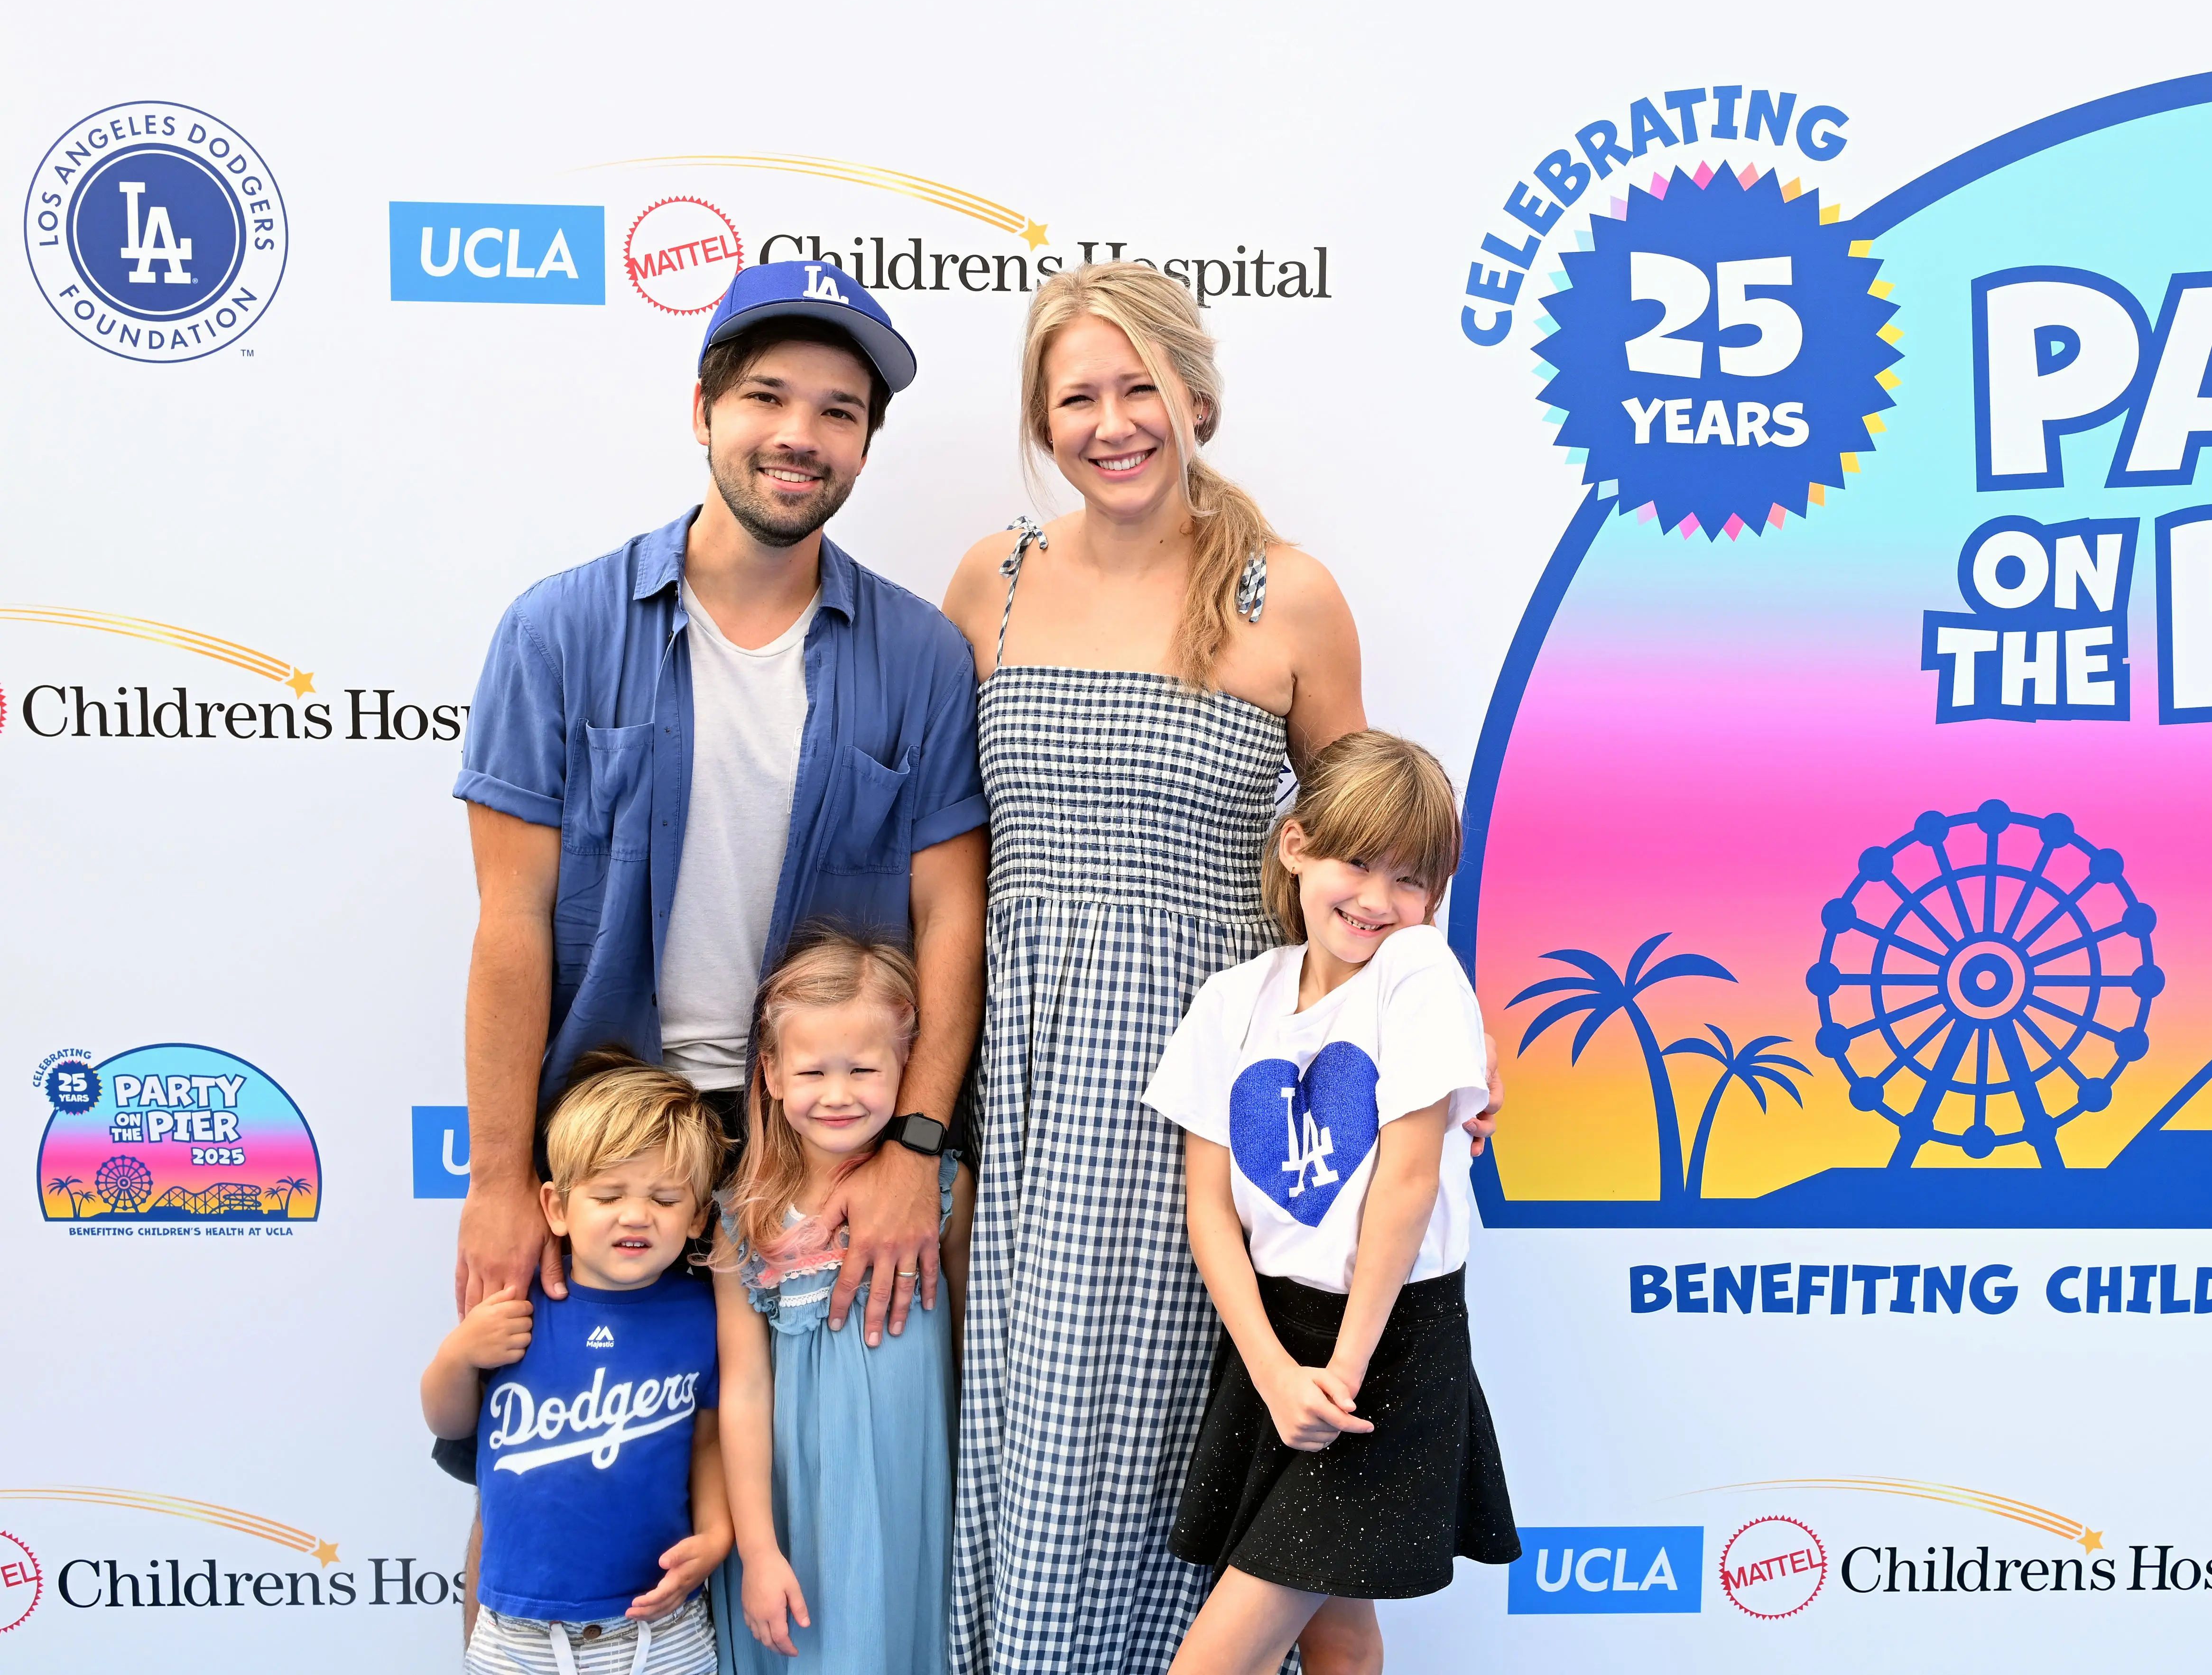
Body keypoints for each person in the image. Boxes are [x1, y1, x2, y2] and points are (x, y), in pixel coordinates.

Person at [939, 262, 1496, 1675]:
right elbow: (946, 866)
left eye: (1141, 389)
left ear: (1195, 398)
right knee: (1047, 1425)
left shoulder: (1287, 596)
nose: (1111, 422)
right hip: (1035, 1090)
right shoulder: (988, 582)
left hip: (1246, 1110)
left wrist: (1442, 1068)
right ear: (1038, 417)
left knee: (1234, 1447)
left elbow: (1369, 860)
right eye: (1076, 396)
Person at [447, 258, 986, 1623]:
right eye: (765, 396)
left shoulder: (918, 654)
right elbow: (510, 925)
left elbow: (949, 916)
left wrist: (917, 1141)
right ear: (703, 410)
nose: (799, 433)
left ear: (866, 441)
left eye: (839, 409)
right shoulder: (561, 630)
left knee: (786, 1521)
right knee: (553, 1475)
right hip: (609, 1140)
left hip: (817, 1151)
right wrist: (504, 1177)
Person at [1147, 732, 1518, 1675]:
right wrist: (1273, 1370)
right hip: (1279, 1345)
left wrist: (1340, 1372)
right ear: (1297, 847)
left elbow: (1408, 1176)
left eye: (1411, 879)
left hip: (1386, 1350)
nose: (1379, 901)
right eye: (1356, 862)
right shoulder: (1234, 1001)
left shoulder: (1419, 971)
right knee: (1337, 1636)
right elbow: (1208, 1208)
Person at [421, 1053, 735, 1674]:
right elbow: (450, 1422)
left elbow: (707, 1445)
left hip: (658, 1629)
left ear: (698, 1214)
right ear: (557, 1206)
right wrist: (458, 1356)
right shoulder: (515, 1302)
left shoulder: (703, 1315)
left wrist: (716, 1532)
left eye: (665, 1197)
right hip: (518, 1636)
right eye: (609, 1193)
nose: (636, 1213)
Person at [708, 930, 966, 1674]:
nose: (838, 1092)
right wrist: (758, 1549)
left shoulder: (944, 1193)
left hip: (910, 1492)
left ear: (906, 1063)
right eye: (813, 1069)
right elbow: (746, 1389)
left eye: (863, 1067)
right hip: (793, 1510)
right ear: (772, 1072)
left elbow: (969, 1353)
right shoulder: (741, 1217)